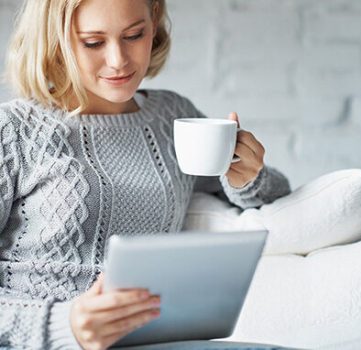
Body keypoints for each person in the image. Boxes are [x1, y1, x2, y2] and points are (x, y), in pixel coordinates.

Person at [0, 0, 291, 349]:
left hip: (161, 339)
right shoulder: (15, 131)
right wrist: (66, 326)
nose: (118, 60)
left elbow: (274, 204)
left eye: (133, 35)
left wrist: (251, 178)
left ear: (154, 24)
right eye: (93, 42)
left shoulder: (174, 116)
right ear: (54, 41)